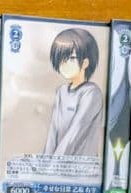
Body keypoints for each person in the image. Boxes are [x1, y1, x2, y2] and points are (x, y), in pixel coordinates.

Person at [42, 28, 104, 159]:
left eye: (71, 58)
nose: (64, 64)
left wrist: (54, 165)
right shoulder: (61, 91)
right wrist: (45, 162)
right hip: (59, 165)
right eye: (61, 59)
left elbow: (75, 132)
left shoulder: (92, 93)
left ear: (85, 62)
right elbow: (53, 132)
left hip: (82, 166)